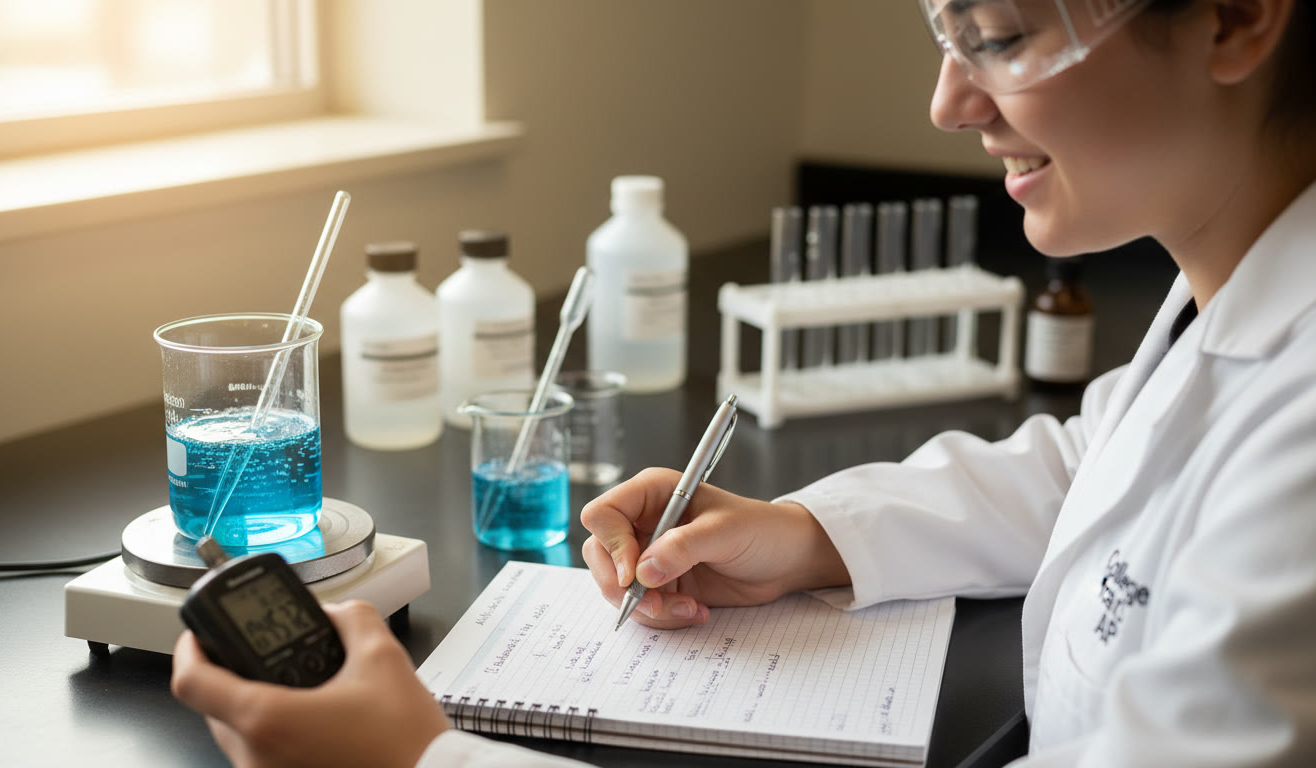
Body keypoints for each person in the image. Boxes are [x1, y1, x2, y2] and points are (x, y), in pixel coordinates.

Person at [171, 0, 1316, 765]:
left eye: (1003, 35)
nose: (949, 103)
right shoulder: (1235, 292)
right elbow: (1100, 459)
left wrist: (419, 762)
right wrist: (802, 531)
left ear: (1235, 15)